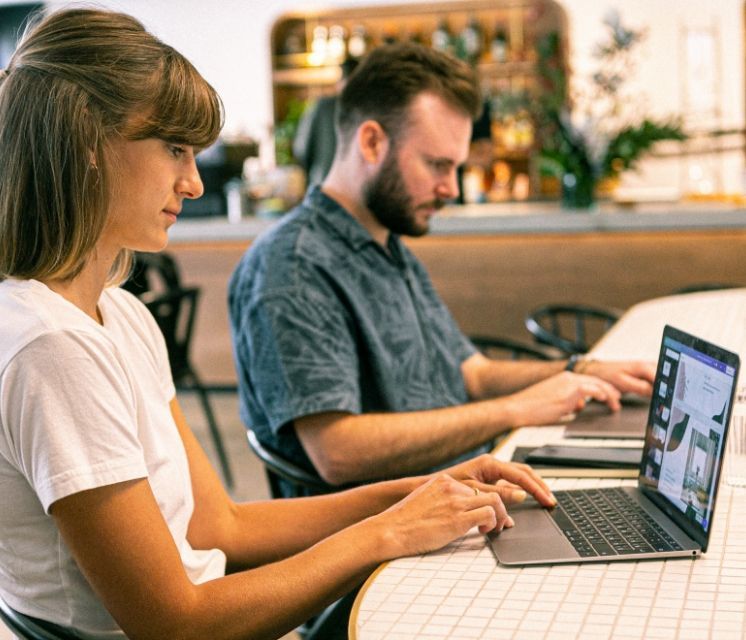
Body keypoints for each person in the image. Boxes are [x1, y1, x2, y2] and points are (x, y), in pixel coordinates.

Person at [0, 9, 557, 640]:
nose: (191, 182)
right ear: (87, 144)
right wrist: (389, 531)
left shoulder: (119, 313)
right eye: (175, 149)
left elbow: (223, 529)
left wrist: (423, 490)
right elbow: (174, 623)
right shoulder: (53, 347)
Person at [228, 42, 655, 495]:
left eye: (456, 167)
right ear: (371, 141)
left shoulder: (387, 244)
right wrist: (514, 410)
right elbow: (337, 451)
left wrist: (580, 370)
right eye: (436, 164)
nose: (451, 188)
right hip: (385, 534)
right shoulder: (293, 267)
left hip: (464, 488)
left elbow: (471, 373)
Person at [292, 57, 358, 187]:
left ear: (339, 82)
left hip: (323, 185)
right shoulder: (368, 108)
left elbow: (301, 148)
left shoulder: (322, 106)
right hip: (356, 191)